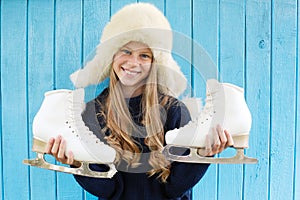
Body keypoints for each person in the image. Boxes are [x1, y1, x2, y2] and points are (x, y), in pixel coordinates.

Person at [45, 3, 233, 200]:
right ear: (112, 55)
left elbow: (174, 189)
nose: (133, 63)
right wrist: (77, 164)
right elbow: (110, 190)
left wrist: (202, 155)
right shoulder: (92, 113)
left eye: (144, 55)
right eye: (126, 51)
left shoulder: (175, 111)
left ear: (154, 63)